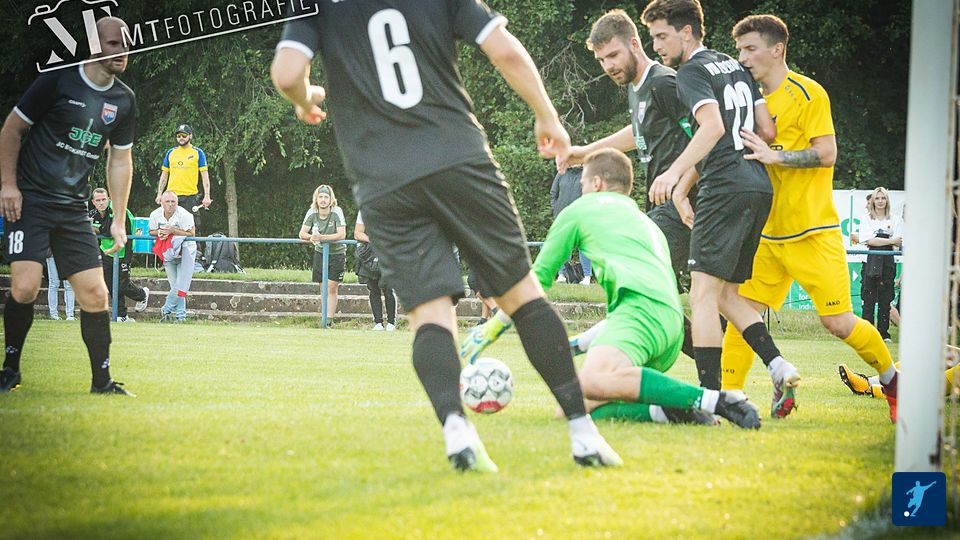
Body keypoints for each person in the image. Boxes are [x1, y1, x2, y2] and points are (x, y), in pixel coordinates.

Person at [273, 0, 621, 471]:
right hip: (459, 159)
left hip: (384, 182)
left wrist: (305, 98)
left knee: (429, 313)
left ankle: (457, 433)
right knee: (521, 295)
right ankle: (582, 434)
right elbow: (505, 51)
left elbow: (287, 72)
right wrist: (547, 115)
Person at [469, 148, 763, 428]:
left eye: (583, 184)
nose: (581, 191)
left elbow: (538, 280)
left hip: (639, 318)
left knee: (591, 380)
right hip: (671, 328)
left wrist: (493, 327)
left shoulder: (580, 210)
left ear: (596, 183)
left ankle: (714, 400)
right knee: (570, 409)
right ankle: (668, 412)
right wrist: (575, 345)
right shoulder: (645, 222)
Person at [718, 16, 900, 422]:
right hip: (766, 236)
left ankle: (893, 383)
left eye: (750, 48)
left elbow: (827, 153)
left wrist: (775, 156)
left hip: (813, 231)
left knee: (837, 322)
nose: (742, 57)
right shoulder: (747, 100)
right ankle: (729, 400)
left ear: (777, 49)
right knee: (740, 313)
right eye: (740, 49)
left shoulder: (808, 92)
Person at [641, 2, 796, 423]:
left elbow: (712, 128)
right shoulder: (734, 65)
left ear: (686, 32)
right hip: (757, 186)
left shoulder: (690, 72)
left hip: (725, 188)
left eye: (661, 36)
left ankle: (709, 402)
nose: (657, 47)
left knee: (702, 296)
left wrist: (673, 174)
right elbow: (767, 130)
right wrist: (687, 185)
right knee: (726, 295)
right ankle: (778, 365)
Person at [0, 17, 135, 395]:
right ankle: (10, 370)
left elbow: (120, 160)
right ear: (94, 46)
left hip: (74, 209)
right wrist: (8, 185)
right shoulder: (58, 80)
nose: (121, 51)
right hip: (32, 200)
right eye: (113, 44)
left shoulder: (123, 100)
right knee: (25, 286)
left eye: (126, 45)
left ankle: (102, 383)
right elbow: (11, 130)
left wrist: (118, 220)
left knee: (96, 294)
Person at [89, 187, 149, 322]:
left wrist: (94, 229)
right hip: (106, 253)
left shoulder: (119, 211)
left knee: (122, 284)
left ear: (108, 199)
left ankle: (142, 295)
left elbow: (110, 230)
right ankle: (121, 316)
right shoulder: (92, 214)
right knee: (111, 285)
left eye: (103, 199)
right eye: (98, 200)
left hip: (123, 252)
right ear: (93, 202)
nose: (101, 203)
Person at [857, 187, 901, 341]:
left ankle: (884, 334)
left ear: (887, 200)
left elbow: (898, 242)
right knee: (868, 300)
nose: (880, 201)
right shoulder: (865, 219)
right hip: (869, 264)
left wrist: (878, 239)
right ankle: (867, 334)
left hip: (888, 265)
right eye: (877, 198)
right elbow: (868, 241)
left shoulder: (895, 219)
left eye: (883, 198)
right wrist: (889, 240)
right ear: (873, 201)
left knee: (885, 300)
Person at [298, 184, 346, 323]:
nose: (323, 200)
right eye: (320, 197)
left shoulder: (337, 211)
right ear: (316, 199)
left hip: (337, 253)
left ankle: (329, 320)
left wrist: (322, 238)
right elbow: (302, 233)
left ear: (331, 199)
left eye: (326, 197)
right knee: (323, 288)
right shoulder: (312, 211)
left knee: (331, 287)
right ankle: (324, 318)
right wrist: (312, 237)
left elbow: (342, 234)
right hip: (320, 252)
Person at [149, 191, 196, 323]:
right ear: (161, 203)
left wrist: (172, 231)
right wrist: (160, 232)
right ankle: (180, 316)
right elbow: (151, 231)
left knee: (181, 284)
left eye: (173, 202)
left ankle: (166, 309)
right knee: (175, 285)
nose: (170, 204)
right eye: (167, 202)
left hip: (186, 250)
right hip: (168, 251)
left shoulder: (185, 215)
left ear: (177, 202)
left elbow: (192, 233)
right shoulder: (155, 215)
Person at [155, 124, 211, 223]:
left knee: (192, 227)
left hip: (190, 197)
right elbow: (164, 176)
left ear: (190, 136)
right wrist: (159, 194)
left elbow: (205, 176)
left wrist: (207, 195)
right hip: (171, 197)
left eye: (184, 135)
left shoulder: (198, 153)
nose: (181, 138)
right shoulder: (171, 152)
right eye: (178, 136)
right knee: (168, 225)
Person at [354, 210, 396, 331]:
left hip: (388, 252)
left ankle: (391, 322)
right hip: (370, 254)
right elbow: (357, 233)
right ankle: (378, 322)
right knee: (373, 288)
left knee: (388, 288)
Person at [549, 167, 591, 285]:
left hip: (581, 216)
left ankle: (587, 276)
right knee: (563, 246)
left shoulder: (587, 174)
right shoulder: (561, 173)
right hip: (562, 215)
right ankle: (562, 275)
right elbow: (553, 193)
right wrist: (556, 208)